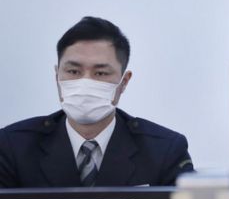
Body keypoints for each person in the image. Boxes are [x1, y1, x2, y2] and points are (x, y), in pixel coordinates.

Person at [0, 16, 194, 187]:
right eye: (73, 71)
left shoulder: (164, 150)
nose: (85, 82)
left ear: (123, 82)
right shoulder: (13, 147)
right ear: (56, 76)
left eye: (100, 73)